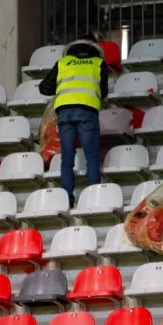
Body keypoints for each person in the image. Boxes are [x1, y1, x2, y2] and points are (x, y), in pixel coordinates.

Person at [38, 38, 108, 207]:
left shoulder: (63, 62)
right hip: (87, 111)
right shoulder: (98, 63)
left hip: (65, 112)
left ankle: (68, 198)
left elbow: (44, 88)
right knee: (91, 156)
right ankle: (94, 196)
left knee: (67, 159)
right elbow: (103, 91)